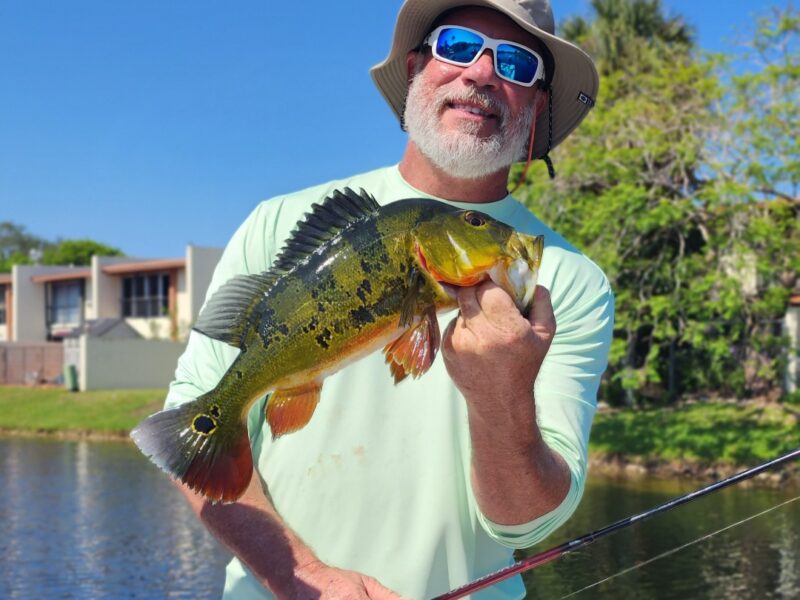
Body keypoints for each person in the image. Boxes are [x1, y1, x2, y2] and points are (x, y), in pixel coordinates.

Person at [164, 0, 613, 598]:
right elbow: (192, 441)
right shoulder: (276, 223)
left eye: (514, 62)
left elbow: (531, 522)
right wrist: (301, 578)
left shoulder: (571, 279)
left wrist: (501, 396)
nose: (481, 73)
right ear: (415, 68)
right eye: (456, 46)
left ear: (536, 104)